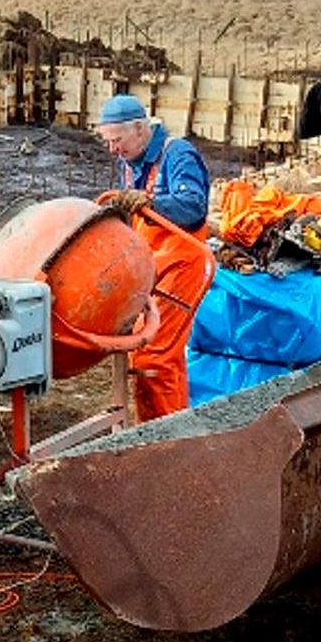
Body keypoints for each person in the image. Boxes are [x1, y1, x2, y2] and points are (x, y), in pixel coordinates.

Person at [94, 94, 215, 422]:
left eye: (116, 141)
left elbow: (193, 208)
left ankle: (166, 439)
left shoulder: (178, 155)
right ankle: (158, 431)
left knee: (155, 356)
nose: (112, 150)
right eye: (107, 142)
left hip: (184, 263)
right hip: (153, 265)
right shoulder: (130, 161)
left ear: (139, 128)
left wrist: (150, 203)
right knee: (147, 353)